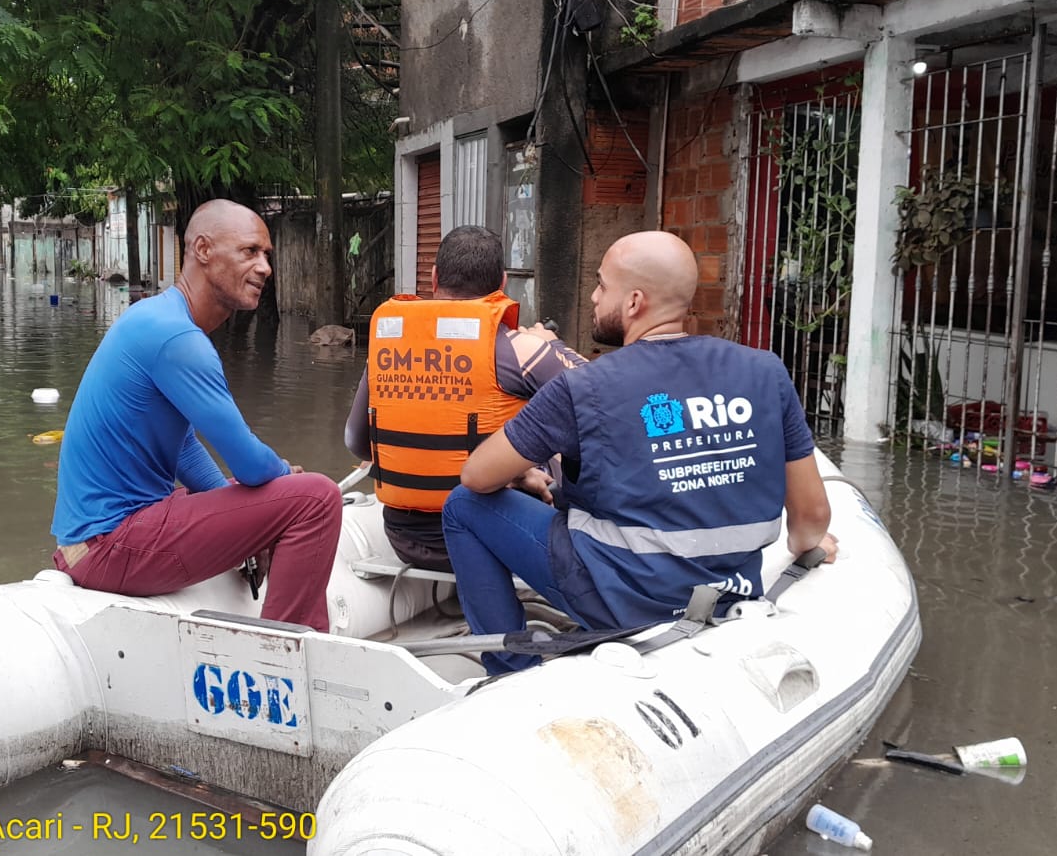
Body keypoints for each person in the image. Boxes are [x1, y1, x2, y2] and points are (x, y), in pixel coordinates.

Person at [442, 231, 837, 674]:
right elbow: (812, 519)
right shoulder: (766, 372)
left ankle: (509, 667)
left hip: (619, 602)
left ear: (633, 303)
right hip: (732, 591)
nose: (592, 297)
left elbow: (477, 475)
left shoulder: (582, 387)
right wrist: (808, 543)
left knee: (463, 505)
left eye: (601, 285)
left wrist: (524, 473)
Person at [49, 200, 342, 631]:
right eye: (249, 252)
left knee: (277, 494)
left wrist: (260, 509)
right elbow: (250, 463)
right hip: (110, 546)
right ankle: (283, 660)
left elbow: (183, 446)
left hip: (84, 545)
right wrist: (282, 483)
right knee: (316, 499)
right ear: (202, 250)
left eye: (266, 255)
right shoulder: (179, 339)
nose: (264, 268)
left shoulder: (153, 317)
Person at [343, 225, 586, 571]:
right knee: (569, 441)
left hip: (405, 537)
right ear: (502, 283)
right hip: (491, 533)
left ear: (434, 277)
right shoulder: (522, 349)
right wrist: (551, 344)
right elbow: (607, 397)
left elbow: (356, 442)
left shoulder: (387, 346)